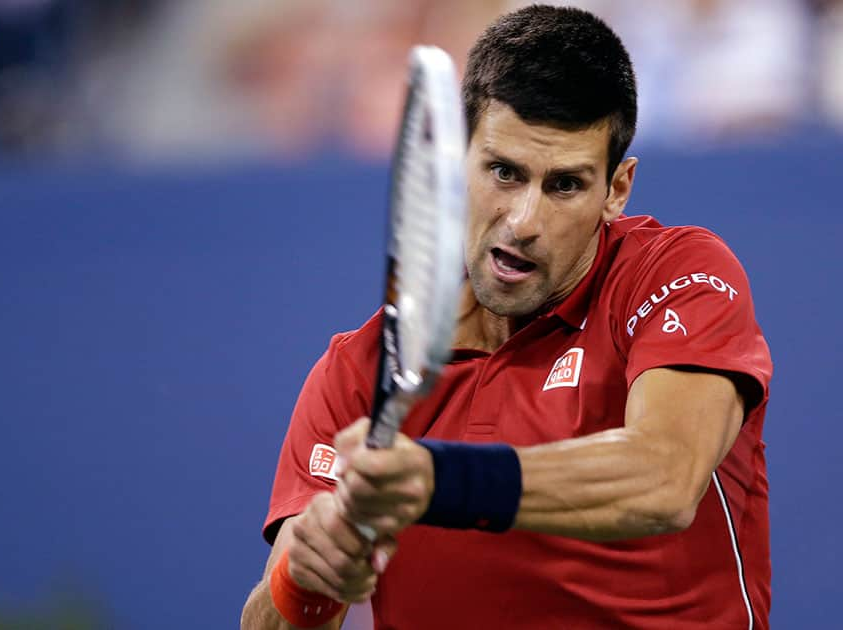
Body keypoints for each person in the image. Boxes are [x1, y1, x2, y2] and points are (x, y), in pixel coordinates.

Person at [241, 5, 772, 629]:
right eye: (503, 172)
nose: (524, 222)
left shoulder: (674, 273)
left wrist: (437, 480)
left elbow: (665, 476)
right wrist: (306, 575)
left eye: (565, 185)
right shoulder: (357, 371)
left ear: (618, 190)